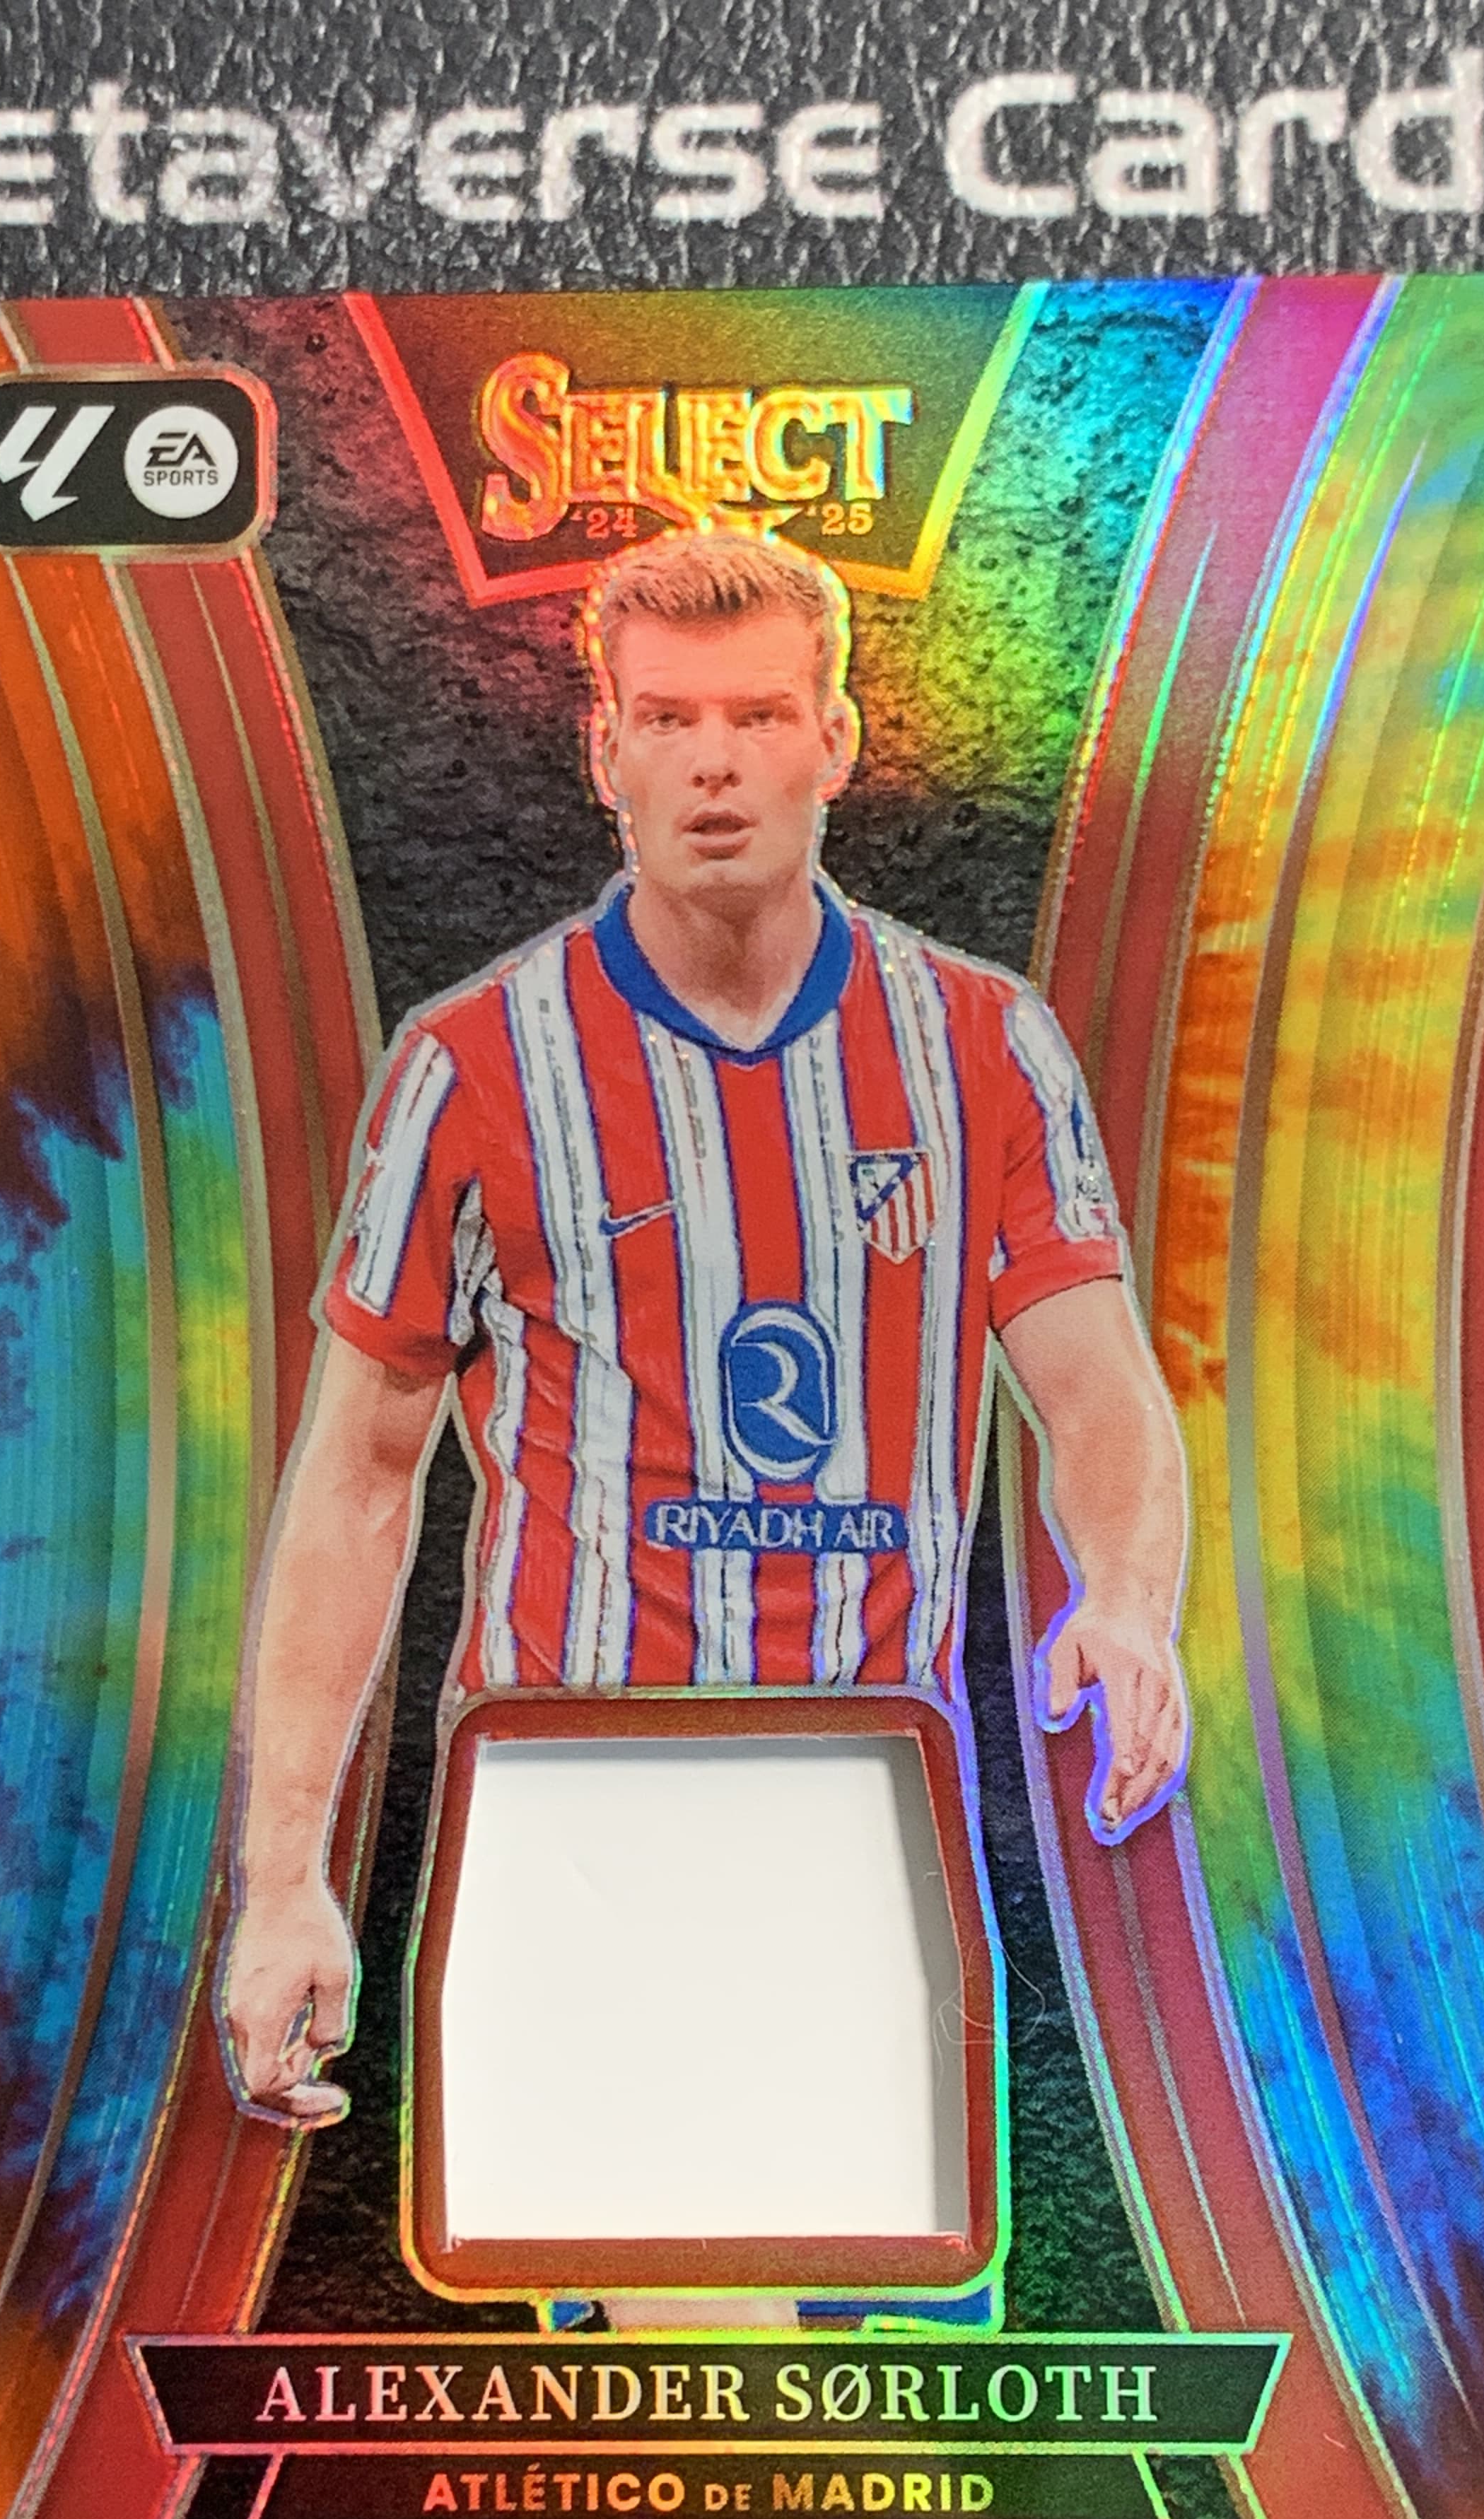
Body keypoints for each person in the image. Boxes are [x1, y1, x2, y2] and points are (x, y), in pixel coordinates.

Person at [222, 525, 1188, 2139]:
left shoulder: (985, 1048)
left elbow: (1096, 1389)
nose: (714, 762)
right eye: (668, 719)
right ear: (605, 754)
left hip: (871, 1818)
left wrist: (1132, 1602)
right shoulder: (475, 1065)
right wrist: (281, 1883)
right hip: (567, 1811)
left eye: (758, 714)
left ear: (836, 741)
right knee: (601, 2290)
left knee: (873, 2294)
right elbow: (356, 1482)